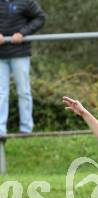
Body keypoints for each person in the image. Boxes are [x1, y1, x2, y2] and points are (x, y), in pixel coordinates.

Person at [0, 0, 45, 136]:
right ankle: (0, 130)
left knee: (24, 91)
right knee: (1, 93)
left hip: (20, 54)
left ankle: (26, 128)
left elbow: (40, 18)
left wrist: (22, 33)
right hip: (0, 56)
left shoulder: (26, 1)